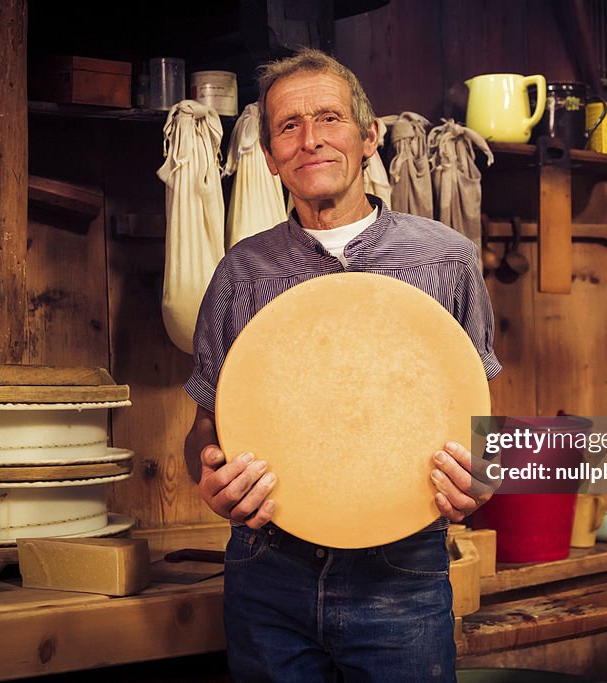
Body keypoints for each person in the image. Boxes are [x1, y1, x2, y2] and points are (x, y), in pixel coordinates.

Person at [182, 47, 502, 682]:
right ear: (271, 158)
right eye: (288, 127)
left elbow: (482, 431)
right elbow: (203, 431)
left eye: (329, 118)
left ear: (369, 137)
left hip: (401, 579)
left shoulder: (446, 259)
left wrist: (480, 481)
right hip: (267, 572)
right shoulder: (241, 273)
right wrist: (211, 479)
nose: (310, 140)